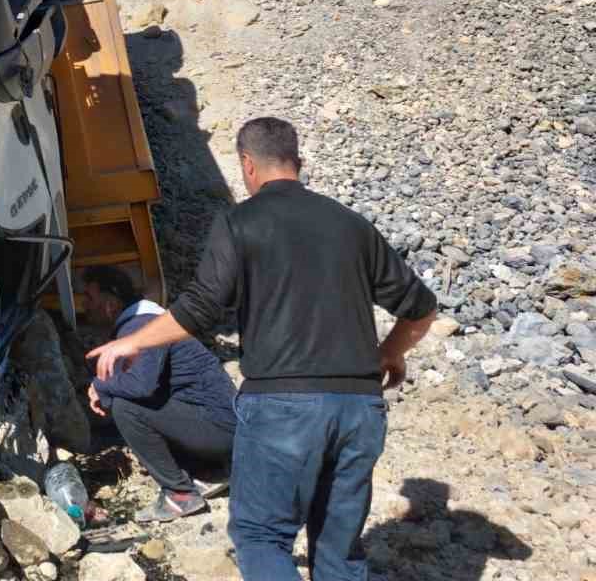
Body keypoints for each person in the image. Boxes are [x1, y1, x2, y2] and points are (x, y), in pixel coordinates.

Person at [87, 117, 437, 581]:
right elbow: (422, 307)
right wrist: (391, 352)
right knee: (338, 553)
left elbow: (200, 307)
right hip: (359, 406)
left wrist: (132, 339)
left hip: (283, 406)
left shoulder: (239, 222)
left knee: (260, 536)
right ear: (299, 162)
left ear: (247, 165)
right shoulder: (351, 224)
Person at [75, 264, 237, 522]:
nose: (84, 305)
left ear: (111, 305)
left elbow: (139, 386)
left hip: (222, 431)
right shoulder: (144, 322)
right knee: (128, 403)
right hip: (219, 427)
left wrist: (100, 386)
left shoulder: (142, 326)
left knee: (126, 407)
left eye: (89, 298)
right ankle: (209, 471)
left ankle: (180, 495)